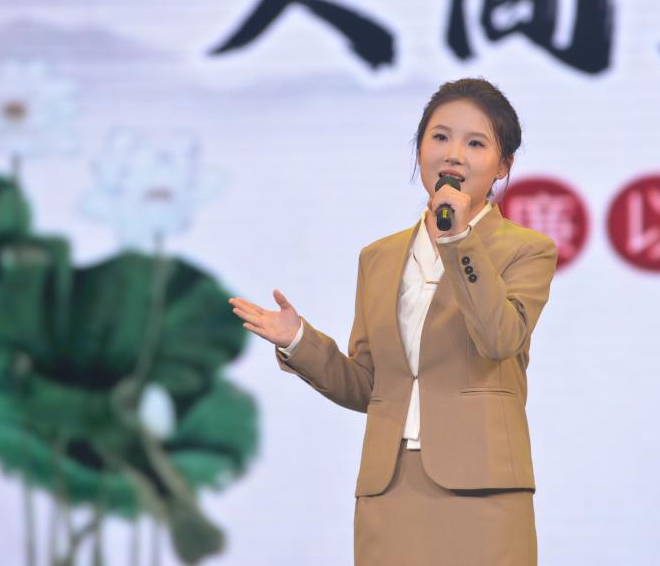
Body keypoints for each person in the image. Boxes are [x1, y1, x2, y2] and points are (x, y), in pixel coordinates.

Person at [228, 78, 557, 566]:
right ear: (420, 149)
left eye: (476, 143)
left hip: (483, 489)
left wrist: (458, 240)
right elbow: (369, 385)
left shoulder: (526, 250)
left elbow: (498, 339)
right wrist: (299, 341)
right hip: (390, 486)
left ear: (503, 165)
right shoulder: (378, 257)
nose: (454, 155)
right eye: (440, 137)